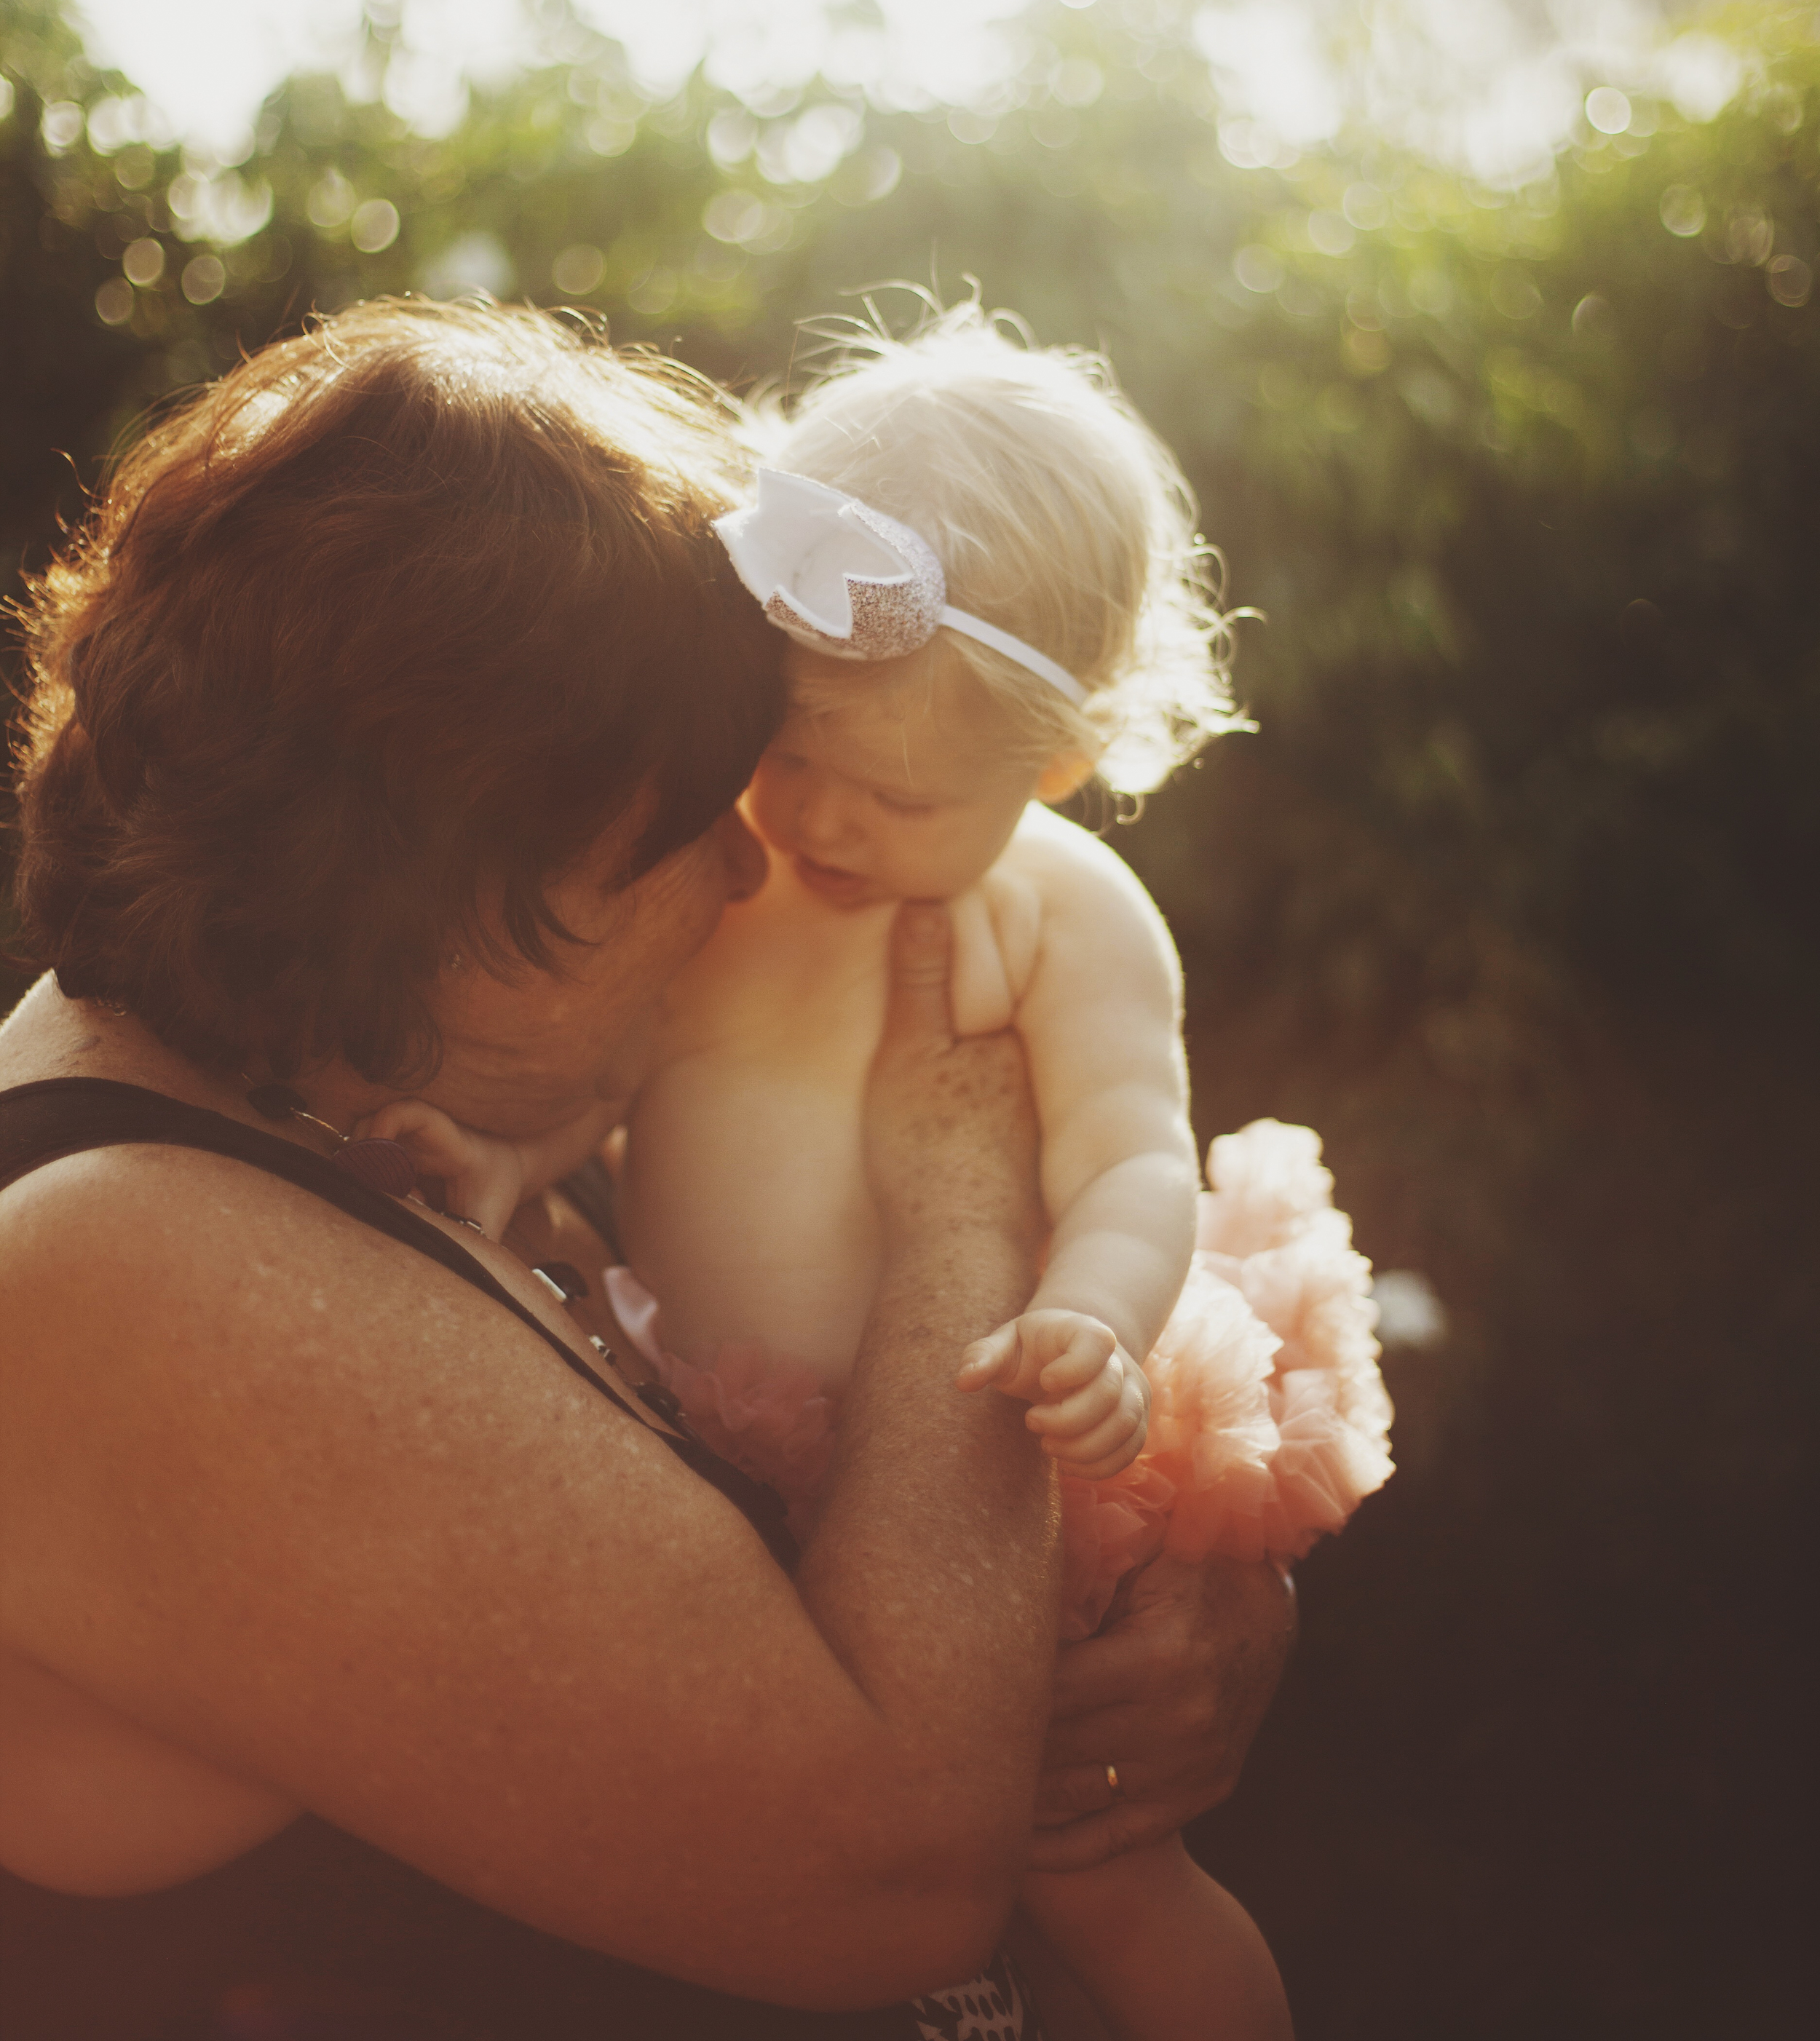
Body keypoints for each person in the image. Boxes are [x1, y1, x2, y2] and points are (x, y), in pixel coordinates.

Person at [0, 298, 1296, 2041]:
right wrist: (966, 1190)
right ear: (474, 872)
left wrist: (1167, 1614)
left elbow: (778, 1546)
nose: (756, 884)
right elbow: (896, 1867)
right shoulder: (117, 1265)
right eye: (704, 818)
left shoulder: (395, 1103)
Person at [389, 311, 1393, 2041]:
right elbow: (620, 1079)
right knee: (781, 1849)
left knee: (1078, 1863)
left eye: (900, 798)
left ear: (1053, 766)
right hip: (736, 1449)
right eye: (795, 760)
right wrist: (500, 1159)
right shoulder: (725, 872)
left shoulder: (1055, 912)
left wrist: (1090, 1316)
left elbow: (1132, 1155)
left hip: (995, 1431)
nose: (830, 825)